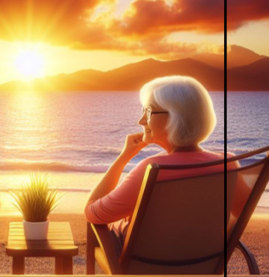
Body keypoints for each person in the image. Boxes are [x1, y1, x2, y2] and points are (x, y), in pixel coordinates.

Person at [84, 76, 231, 256]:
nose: (141, 121)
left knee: (94, 225)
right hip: (202, 261)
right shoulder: (228, 165)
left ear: (175, 117)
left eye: (148, 112)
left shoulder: (152, 169)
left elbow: (92, 212)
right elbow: (236, 216)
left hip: (146, 265)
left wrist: (124, 157)